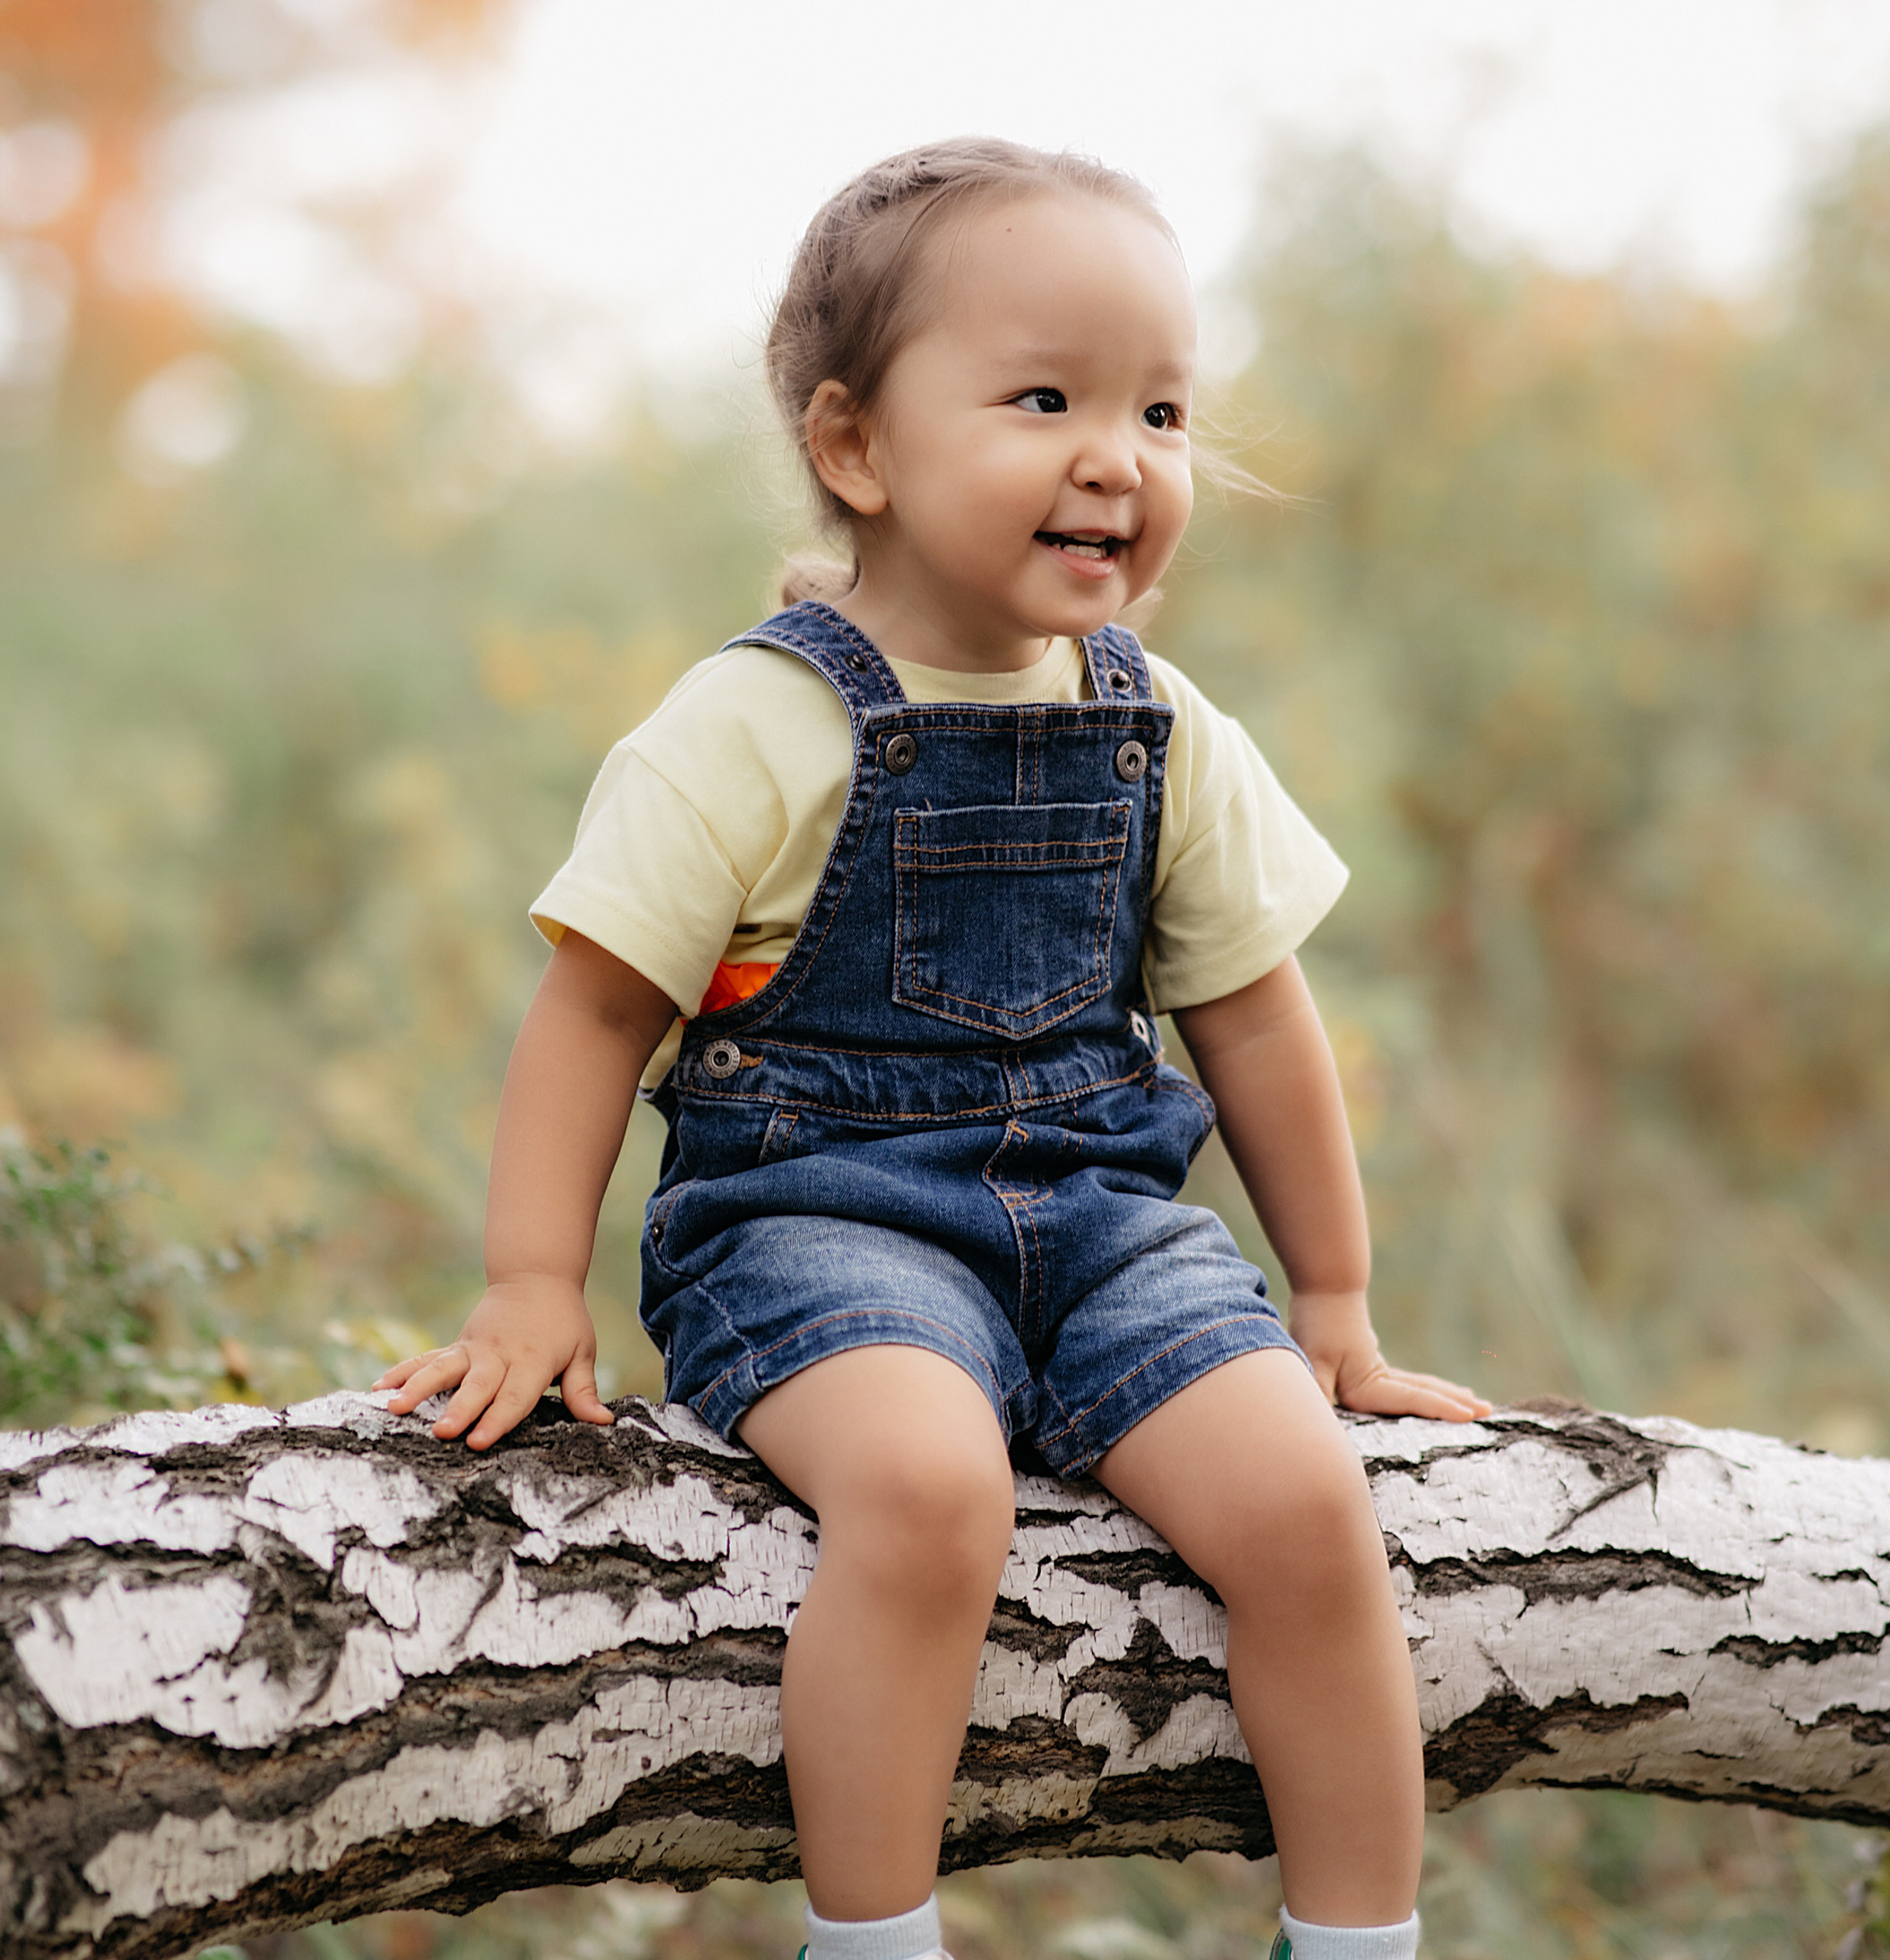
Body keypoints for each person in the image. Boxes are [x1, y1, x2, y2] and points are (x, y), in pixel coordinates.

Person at [378, 138, 1489, 1960]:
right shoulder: (751, 722)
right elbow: (592, 1006)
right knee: (926, 1478)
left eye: (1159, 407)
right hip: (814, 1223)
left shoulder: (1161, 727)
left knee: (1303, 1498)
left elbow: (1253, 1012)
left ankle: (1359, 1936)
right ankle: (875, 1935)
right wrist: (527, 1279)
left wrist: (1337, 1304)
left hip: (1105, 1225)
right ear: (856, 449)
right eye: (1042, 395)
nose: (1114, 455)